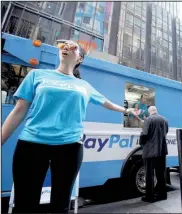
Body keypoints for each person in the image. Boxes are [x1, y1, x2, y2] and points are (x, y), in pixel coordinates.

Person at [1, 40, 132, 213]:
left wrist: (127, 111)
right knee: (25, 205)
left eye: (73, 47)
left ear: (80, 58)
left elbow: (107, 103)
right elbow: (19, 111)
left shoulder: (84, 86)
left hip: (69, 148)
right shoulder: (37, 75)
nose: (66, 48)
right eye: (63, 46)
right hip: (32, 145)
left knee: (61, 206)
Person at [139, 106, 169, 202]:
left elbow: (144, 134)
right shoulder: (165, 120)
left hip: (150, 152)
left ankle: (150, 197)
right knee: (161, 174)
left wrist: (141, 143)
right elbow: (166, 132)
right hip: (162, 151)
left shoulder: (148, 120)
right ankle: (162, 195)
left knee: (149, 175)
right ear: (156, 111)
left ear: (149, 112)